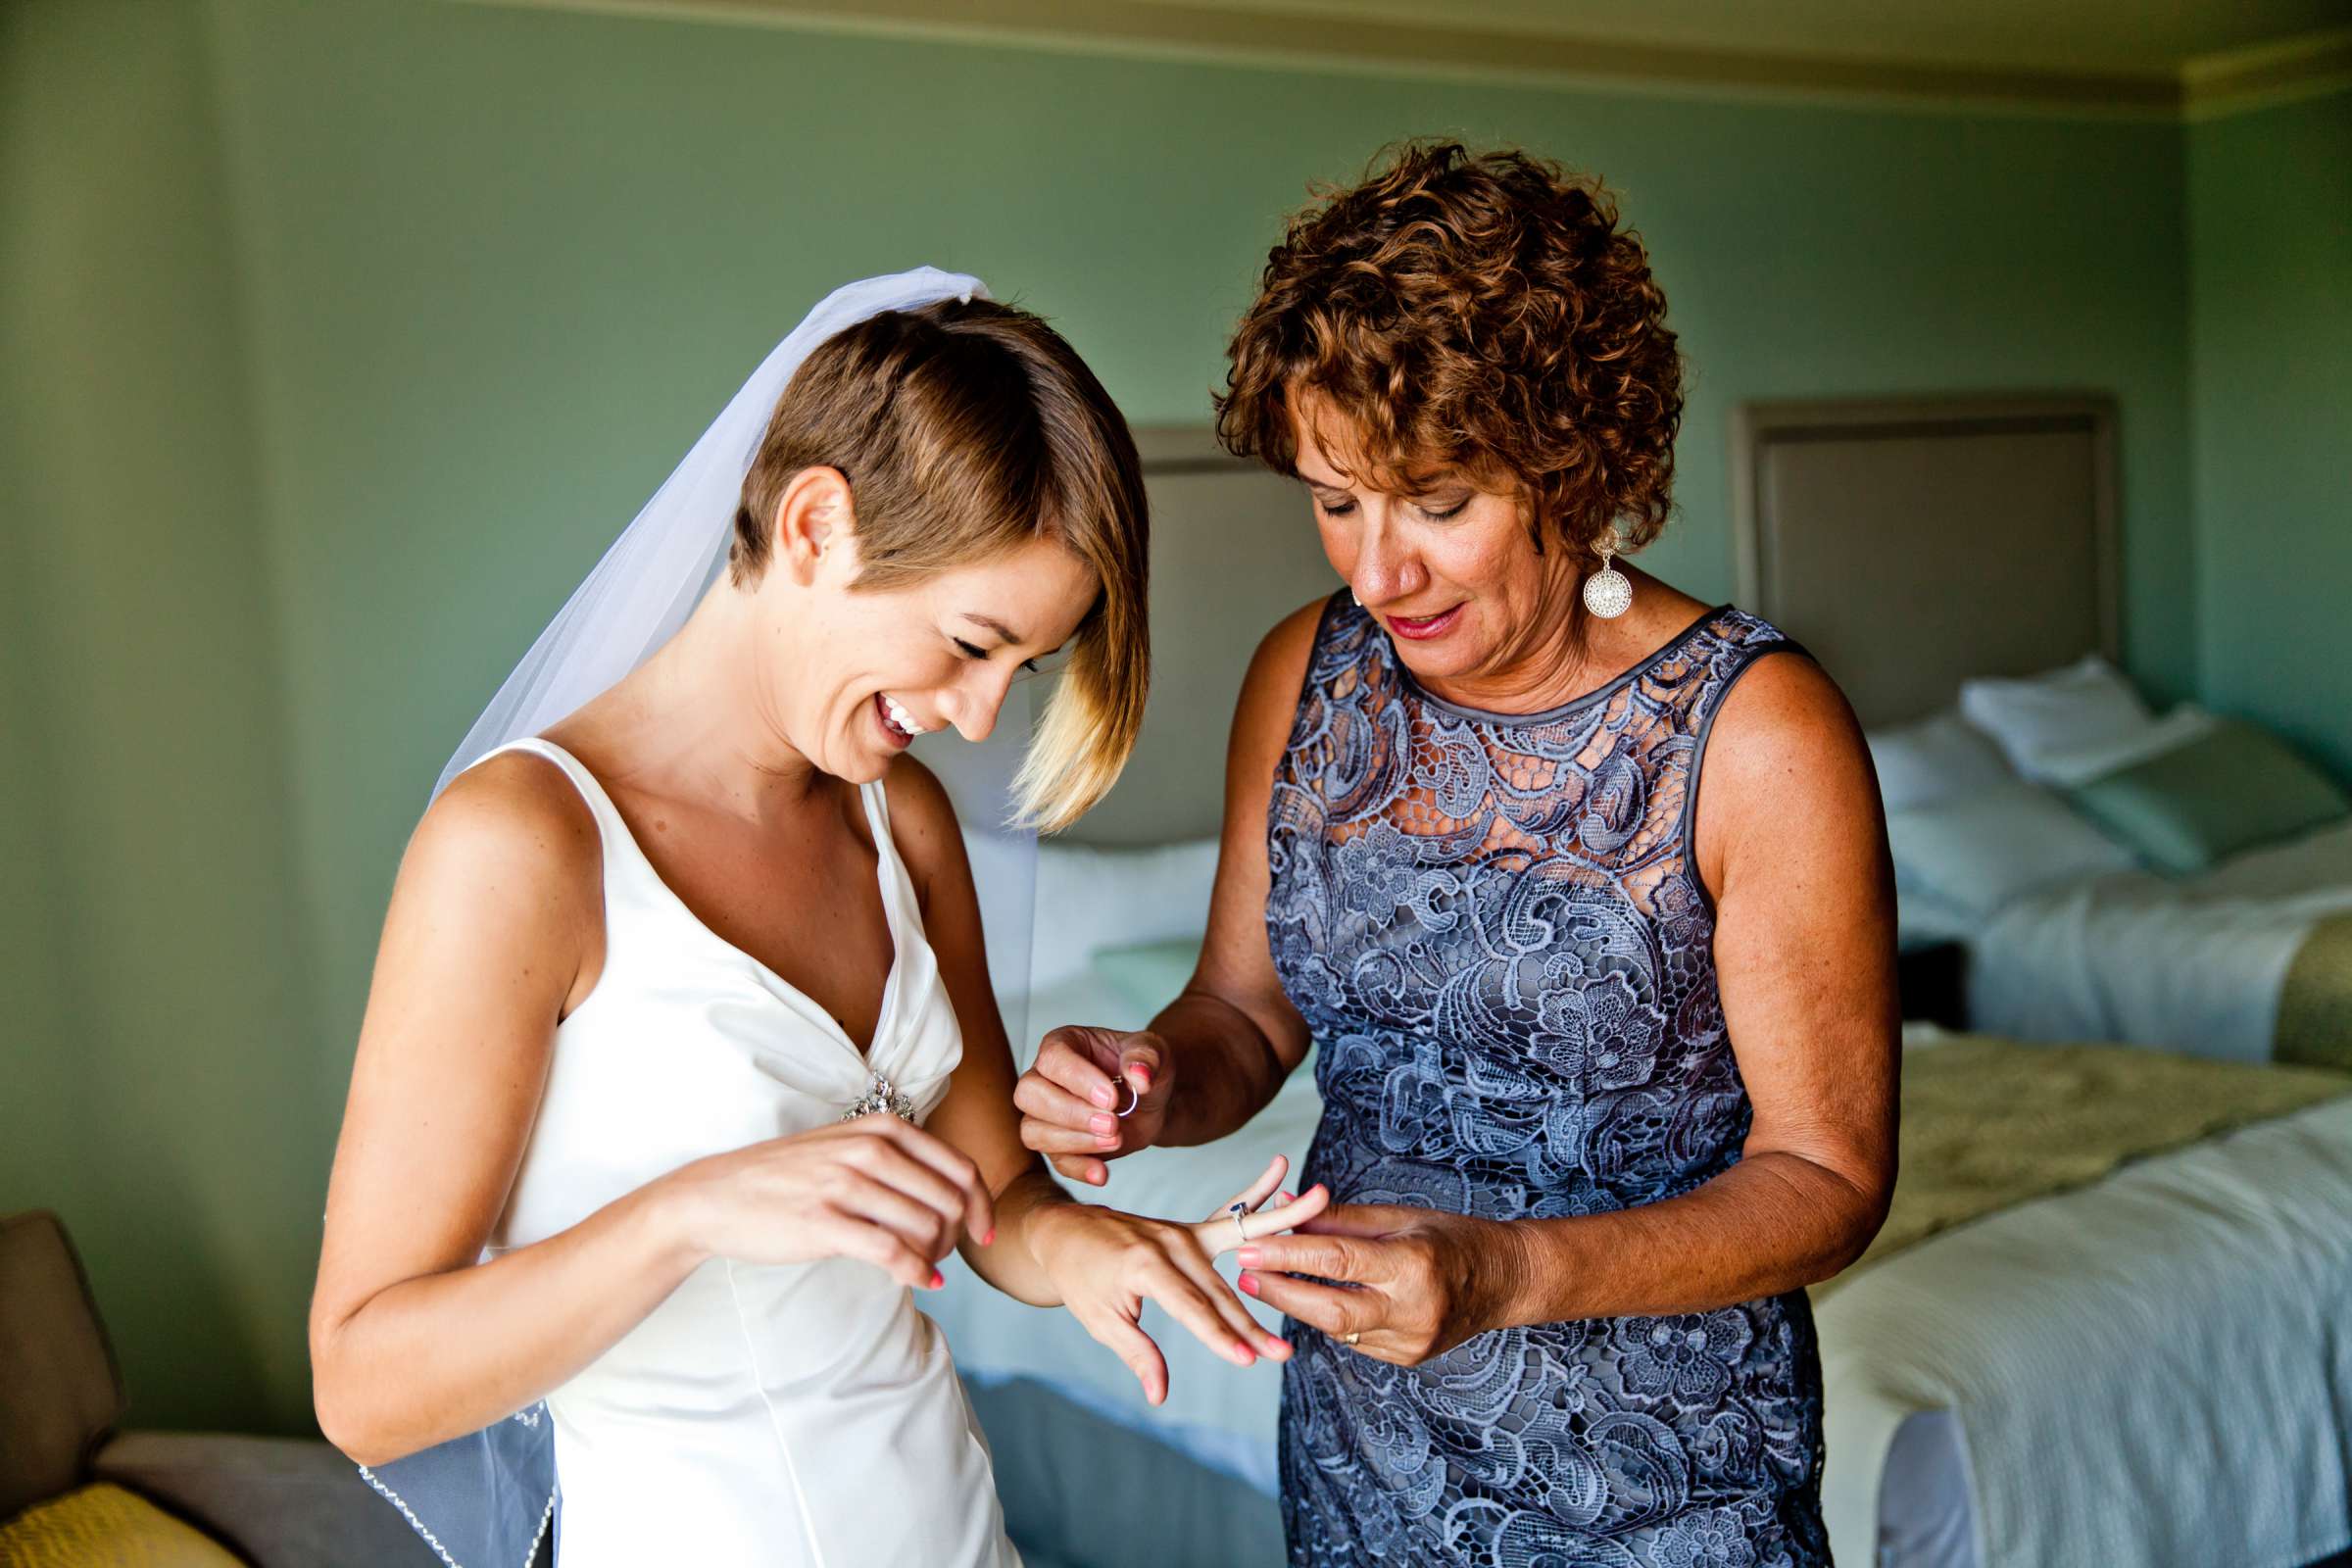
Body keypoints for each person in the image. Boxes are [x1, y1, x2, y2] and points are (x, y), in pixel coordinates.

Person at [310, 270, 1322, 1567]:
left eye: (1025, 668)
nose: (978, 718)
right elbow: (362, 1382)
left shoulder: (901, 825)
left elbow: (994, 1195)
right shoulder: (523, 850)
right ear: (813, 525)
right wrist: (690, 1211)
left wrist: (1102, 1249)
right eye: (969, 644)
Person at [1014, 148, 1899, 1565]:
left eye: (1437, 502)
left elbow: (1829, 1175)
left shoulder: (1756, 734)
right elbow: (1244, 1014)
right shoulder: (1304, 677)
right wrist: (1151, 1081)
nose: (1376, 574)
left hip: (1663, 1487)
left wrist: (1499, 1276)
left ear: (1579, 463)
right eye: (1334, 499)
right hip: (1366, 1453)